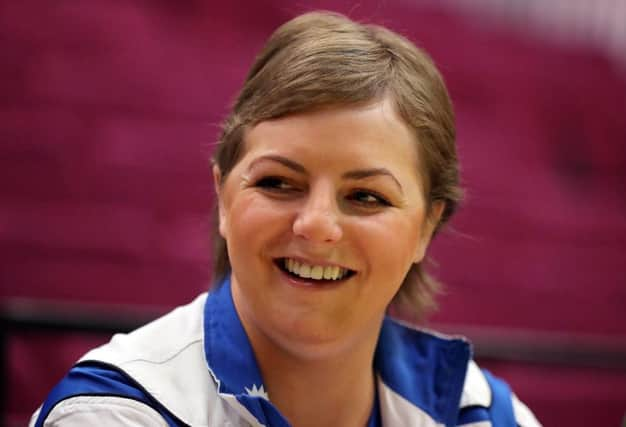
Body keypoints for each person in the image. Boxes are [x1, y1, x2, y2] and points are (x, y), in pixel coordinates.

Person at [30, 11, 541, 427]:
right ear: (224, 198)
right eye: (277, 183)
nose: (316, 224)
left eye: (365, 196)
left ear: (426, 228)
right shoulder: (113, 414)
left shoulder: (481, 414)